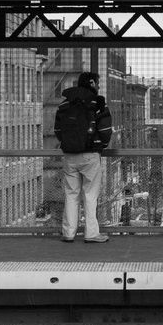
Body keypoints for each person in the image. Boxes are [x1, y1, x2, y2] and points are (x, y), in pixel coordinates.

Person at [54, 72, 112, 243]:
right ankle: (91, 233)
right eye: (98, 83)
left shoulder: (64, 104)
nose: (99, 87)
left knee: (71, 195)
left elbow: (58, 131)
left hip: (69, 156)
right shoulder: (98, 103)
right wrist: (100, 144)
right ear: (92, 83)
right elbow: (105, 131)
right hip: (90, 155)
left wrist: (70, 143)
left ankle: (68, 233)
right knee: (90, 195)